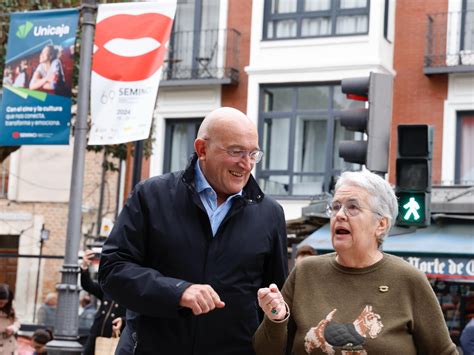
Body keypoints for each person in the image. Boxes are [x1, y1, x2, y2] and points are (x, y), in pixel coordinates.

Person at [98, 106, 288, 354]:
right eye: (236, 152)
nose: (246, 164)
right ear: (202, 149)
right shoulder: (151, 196)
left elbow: (277, 296)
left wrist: (278, 312)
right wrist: (178, 291)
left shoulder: (270, 214)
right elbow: (113, 271)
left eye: (253, 153)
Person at [254, 170, 458, 355]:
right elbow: (264, 351)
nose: (340, 215)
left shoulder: (408, 279)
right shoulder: (305, 272)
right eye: (335, 207)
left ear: (381, 224)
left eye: (353, 207)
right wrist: (275, 318)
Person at [80, 249, 126, 355]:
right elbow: (88, 285)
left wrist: (123, 321)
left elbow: (135, 314)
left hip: (114, 337)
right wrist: (85, 266)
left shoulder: (131, 294)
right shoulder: (108, 289)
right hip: (96, 334)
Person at [0, 283, 20, 354]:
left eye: (5, 303)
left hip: (8, 343)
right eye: (0, 302)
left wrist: (13, 328)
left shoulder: (11, 308)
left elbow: (17, 321)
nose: (2, 305)